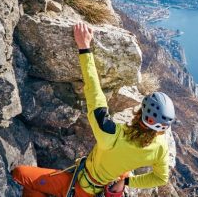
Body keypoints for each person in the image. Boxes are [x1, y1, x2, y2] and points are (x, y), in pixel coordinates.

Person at [12, 22, 175, 196]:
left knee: (20, 174)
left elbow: (94, 93)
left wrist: (84, 48)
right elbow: (161, 178)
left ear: (140, 113)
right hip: (100, 187)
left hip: (83, 186)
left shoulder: (111, 134)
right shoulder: (161, 147)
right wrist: (126, 181)